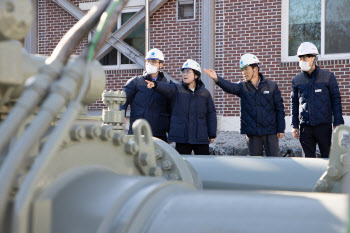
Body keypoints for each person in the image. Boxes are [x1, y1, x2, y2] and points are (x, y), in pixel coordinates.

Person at [204, 54, 285, 157]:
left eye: (246, 69)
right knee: (256, 164)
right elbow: (230, 87)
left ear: (255, 69)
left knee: (274, 162)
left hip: (271, 132)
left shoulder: (272, 86)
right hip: (252, 134)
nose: (244, 73)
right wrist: (216, 78)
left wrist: (281, 128)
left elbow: (279, 109)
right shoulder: (242, 87)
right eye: (242, 70)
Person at [145, 59, 217, 155]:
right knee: (182, 164)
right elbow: (167, 88)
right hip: (182, 138)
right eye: (183, 72)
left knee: (203, 164)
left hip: (200, 137)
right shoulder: (177, 89)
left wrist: (212, 133)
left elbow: (211, 113)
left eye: (188, 72)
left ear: (196, 75)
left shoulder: (205, 93)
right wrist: (155, 85)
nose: (184, 74)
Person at [291, 42, 344, 158]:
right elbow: (295, 104)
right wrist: (294, 125)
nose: (302, 60)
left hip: (323, 126)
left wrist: (338, 122)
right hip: (305, 127)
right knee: (308, 161)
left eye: (305, 57)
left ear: (314, 58)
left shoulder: (328, 77)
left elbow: (336, 100)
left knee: (327, 158)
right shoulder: (297, 80)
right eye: (300, 58)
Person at [121, 48, 171, 142]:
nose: (149, 64)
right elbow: (122, 101)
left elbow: (172, 111)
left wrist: (171, 133)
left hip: (158, 134)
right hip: (138, 132)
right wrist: (121, 116)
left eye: (153, 62)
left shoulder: (167, 86)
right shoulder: (135, 82)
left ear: (161, 64)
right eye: (148, 61)